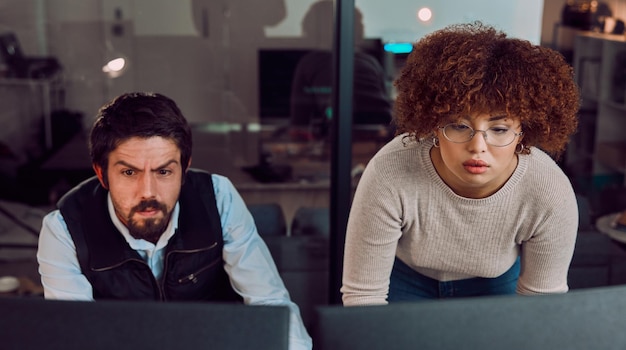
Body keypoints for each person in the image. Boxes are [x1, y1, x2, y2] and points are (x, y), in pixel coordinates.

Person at [37, 92, 312, 349]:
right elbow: (75, 338)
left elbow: (270, 303)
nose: (148, 191)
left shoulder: (217, 198)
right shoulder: (64, 229)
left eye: (164, 171)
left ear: (185, 168)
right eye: (129, 173)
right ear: (102, 173)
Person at [341, 22, 581, 305]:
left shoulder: (549, 191)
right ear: (433, 125)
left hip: (495, 283)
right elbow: (364, 297)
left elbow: (542, 309)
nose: (478, 146)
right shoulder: (390, 171)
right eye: (458, 126)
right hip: (406, 280)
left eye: (500, 130)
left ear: (523, 133)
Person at [289, 0, 393, 141]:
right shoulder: (371, 62)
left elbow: (299, 122)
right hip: (379, 135)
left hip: (337, 138)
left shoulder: (309, 62)